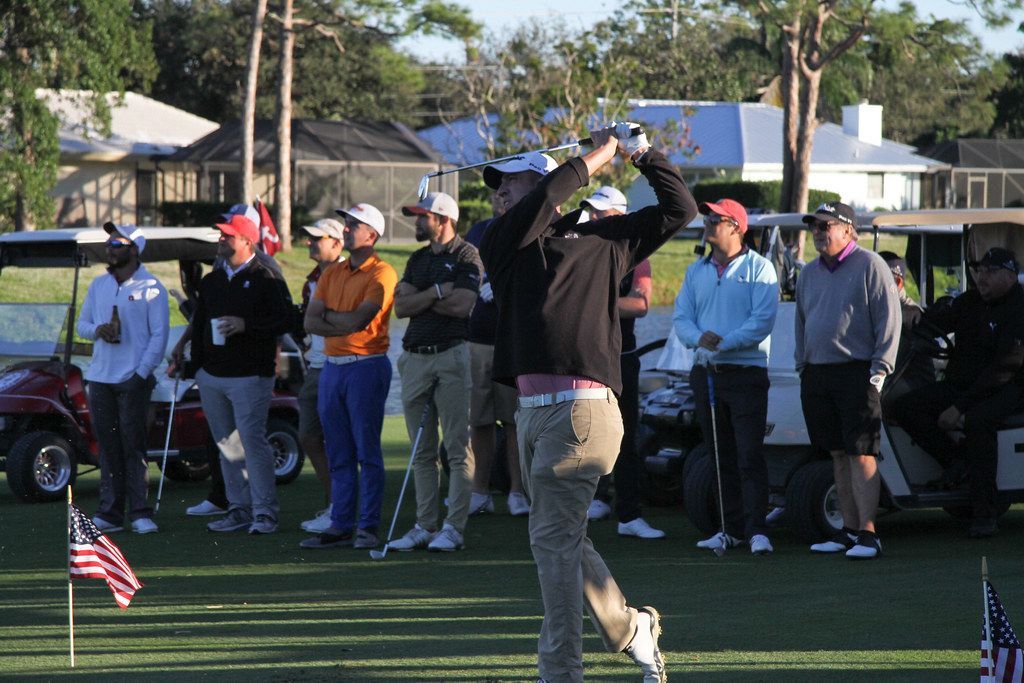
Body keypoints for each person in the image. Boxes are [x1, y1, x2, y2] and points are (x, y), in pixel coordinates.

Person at [480, 123, 697, 683]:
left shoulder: (607, 240)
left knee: (551, 541)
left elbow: (680, 208)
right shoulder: (502, 242)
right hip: (531, 414)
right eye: (496, 187)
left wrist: (637, 151)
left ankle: (562, 673)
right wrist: (596, 155)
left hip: (583, 412)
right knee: (562, 538)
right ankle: (631, 629)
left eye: (510, 183)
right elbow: (548, 198)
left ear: (541, 181)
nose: (500, 193)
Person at [889, 247, 1024, 538]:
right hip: (962, 385)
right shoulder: (972, 301)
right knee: (905, 407)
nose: (982, 277)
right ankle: (955, 461)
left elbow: (1004, 367)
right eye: (979, 271)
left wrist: (960, 408)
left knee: (977, 422)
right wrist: (912, 314)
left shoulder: (1019, 308)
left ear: (1010, 276)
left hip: (1005, 387)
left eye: (990, 272)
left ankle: (985, 512)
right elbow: (937, 321)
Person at [795, 201, 900, 560]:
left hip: (858, 371)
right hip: (818, 372)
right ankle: (849, 531)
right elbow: (802, 321)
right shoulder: (808, 272)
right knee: (837, 454)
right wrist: (801, 364)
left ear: (846, 229)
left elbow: (890, 318)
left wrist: (881, 368)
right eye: (815, 227)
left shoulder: (871, 264)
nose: (819, 233)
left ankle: (869, 534)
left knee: (862, 454)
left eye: (826, 226)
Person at [674, 198, 779, 555]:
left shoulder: (760, 268)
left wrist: (722, 343)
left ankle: (757, 530)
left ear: (735, 226)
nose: (707, 222)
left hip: (746, 373)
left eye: (715, 218)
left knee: (749, 455)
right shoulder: (696, 271)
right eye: (707, 217)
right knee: (720, 454)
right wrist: (698, 340)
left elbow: (761, 323)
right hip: (705, 373)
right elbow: (681, 320)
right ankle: (729, 529)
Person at [299, 204, 398, 549]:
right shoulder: (332, 273)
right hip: (333, 368)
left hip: (367, 366)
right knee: (339, 451)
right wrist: (341, 323)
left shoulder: (383, 273)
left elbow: (361, 320)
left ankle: (367, 526)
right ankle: (341, 524)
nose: (345, 229)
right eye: (346, 223)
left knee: (366, 451)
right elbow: (310, 321)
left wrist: (334, 322)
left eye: (353, 224)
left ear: (371, 235)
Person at [176, 203, 285, 517]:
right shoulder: (213, 280)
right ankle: (239, 509)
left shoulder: (266, 277)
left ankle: (264, 511)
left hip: (251, 375)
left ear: (247, 241)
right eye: (221, 236)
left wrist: (245, 325)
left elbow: (283, 322)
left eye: (228, 236)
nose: (221, 240)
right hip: (213, 375)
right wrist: (198, 368)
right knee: (226, 444)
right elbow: (199, 324)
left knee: (252, 443)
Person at [388, 192, 482, 553]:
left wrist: (423, 298)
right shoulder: (418, 258)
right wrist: (439, 291)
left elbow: (462, 306)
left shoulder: (466, 255)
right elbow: (401, 306)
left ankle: (453, 528)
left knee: (457, 448)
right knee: (421, 451)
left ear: (442, 219)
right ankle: (425, 525)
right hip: (414, 358)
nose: (416, 222)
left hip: (451, 357)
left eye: (421, 216)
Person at [580, 186, 665, 540]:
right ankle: (592, 499)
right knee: (585, 435)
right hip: (587, 359)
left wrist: (594, 302)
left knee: (626, 435)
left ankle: (629, 514)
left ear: (620, 214)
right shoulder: (586, 252)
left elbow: (640, 304)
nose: (594, 217)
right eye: (592, 211)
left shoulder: (636, 254)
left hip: (622, 358)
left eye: (600, 212)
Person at [78, 223, 169, 534]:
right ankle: (111, 513)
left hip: (133, 378)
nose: (111, 247)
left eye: (118, 242)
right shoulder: (99, 285)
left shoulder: (151, 287)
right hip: (101, 377)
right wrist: (98, 329)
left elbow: (159, 337)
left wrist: (141, 374)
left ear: (134, 249)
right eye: (110, 242)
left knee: (133, 445)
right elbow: (83, 325)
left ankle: (140, 512)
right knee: (108, 446)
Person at [464, 194, 530, 518]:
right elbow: (470, 272)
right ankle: (480, 491)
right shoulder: (478, 231)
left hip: (511, 339)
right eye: (497, 193)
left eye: (508, 192)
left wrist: (503, 288)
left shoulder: (526, 228)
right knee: (480, 419)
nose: (502, 198)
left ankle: (517, 491)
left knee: (514, 420)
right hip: (478, 337)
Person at [295, 218, 347, 534]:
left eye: (318, 238)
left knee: (343, 441)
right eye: (310, 238)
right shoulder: (311, 280)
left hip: (344, 364)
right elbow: (309, 324)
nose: (311, 243)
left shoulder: (350, 274)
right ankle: (334, 503)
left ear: (337, 243)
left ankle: (343, 508)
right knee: (309, 437)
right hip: (316, 367)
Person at [877, 251, 934, 400]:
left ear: (897, 283)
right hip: (893, 377)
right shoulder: (881, 306)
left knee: (868, 396)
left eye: (877, 279)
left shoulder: (910, 315)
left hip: (914, 383)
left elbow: (890, 359)